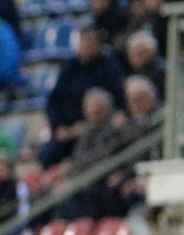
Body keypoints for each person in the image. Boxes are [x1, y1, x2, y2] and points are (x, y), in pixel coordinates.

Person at [43, 28, 127, 166]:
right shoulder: (69, 68)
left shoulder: (110, 68)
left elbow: (119, 100)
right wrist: (58, 126)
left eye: (90, 42)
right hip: (68, 129)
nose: (86, 46)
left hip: (99, 126)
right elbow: (54, 101)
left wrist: (87, 125)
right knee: (48, 153)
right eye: (83, 42)